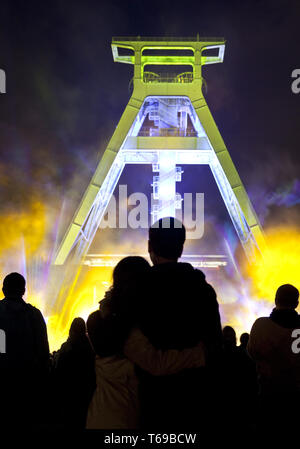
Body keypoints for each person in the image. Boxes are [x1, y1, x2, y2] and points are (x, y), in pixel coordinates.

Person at [87, 256, 205, 429]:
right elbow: (156, 363)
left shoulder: (104, 318)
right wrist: (200, 354)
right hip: (122, 419)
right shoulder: (124, 326)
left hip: (102, 414)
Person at [131, 217, 222, 430]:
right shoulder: (202, 290)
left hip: (149, 398)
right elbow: (214, 346)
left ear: (149, 246)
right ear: (181, 248)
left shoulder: (137, 292)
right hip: (193, 399)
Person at [247, 284, 300, 431]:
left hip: (268, 393)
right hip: (295, 394)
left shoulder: (260, 325)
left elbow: (252, 352)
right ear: (296, 304)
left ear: (276, 300)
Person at [0, 272, 50, 429]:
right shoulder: (34, 315)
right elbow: (43, 352)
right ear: (23, 291)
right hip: (28, 387)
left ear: (3, 290)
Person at [52, 317, 95, 429]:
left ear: (71, 331)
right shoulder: (91, 349)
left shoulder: (66, 348)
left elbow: (58, 372)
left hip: (68, 395)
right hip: (84, 396)